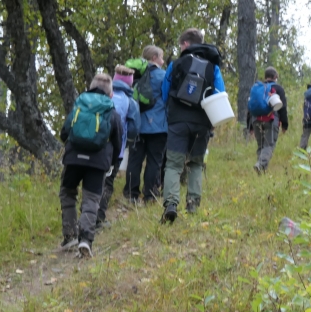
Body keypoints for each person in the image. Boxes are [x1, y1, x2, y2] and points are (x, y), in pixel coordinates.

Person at [159, 28, 226, 223]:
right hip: (202, 122)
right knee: (196, 163)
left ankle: (171, 204)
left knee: (173, 164)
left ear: (186, 44)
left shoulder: (176, 63)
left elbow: (165, 93)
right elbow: (219, 94)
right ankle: (193, 204)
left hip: (178, 121)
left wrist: (172, 112)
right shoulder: (213, 67)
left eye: (181, 44)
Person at [58, 73, 123, 258]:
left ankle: (69, 236)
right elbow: (118, 143)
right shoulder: (112, 112)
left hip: (73, 159)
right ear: (111, 94)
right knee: (91, 200)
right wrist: (111, 163)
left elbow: (65, 133)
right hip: (98, 163)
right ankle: (86, 239)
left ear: (90, 87)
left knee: (68, 193)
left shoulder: (79, 107)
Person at [96, 65, 140, 227]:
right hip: (114, 150)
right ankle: (98, 219)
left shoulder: (101, 95)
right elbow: (134, 129)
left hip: (91, 145)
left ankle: (85, 217)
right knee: (107, 183)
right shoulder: (130, 102)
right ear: (130, 83)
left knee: (92, 182)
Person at [125, 46, 168, 207]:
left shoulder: (134, 75)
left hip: (138, 125)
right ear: (155, 57)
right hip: (158, 126)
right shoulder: (163, 76)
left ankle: (131, 194)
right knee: (154, 161)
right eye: (162, 58)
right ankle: (149, 195)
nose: (163, 61)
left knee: (135, 160)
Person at [251, 67, 288, 174]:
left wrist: (250, 127)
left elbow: (250, 106)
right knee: (269, 145)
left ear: (265, 76)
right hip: (271, 120)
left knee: (261, 146)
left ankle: (261, 172)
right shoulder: (278, 89)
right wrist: (285, 124)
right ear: (275, 77)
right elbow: (282, 107)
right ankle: (260, 164)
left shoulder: (257, 87)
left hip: (256, 120)